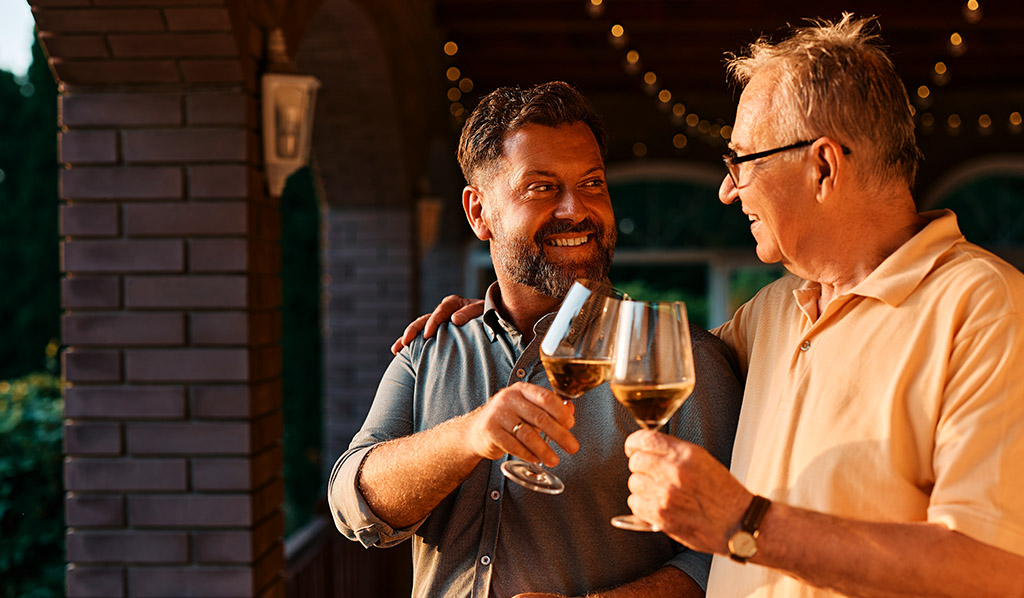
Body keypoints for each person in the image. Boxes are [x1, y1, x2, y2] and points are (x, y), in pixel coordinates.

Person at [619, 14, 1024, 597]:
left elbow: (994, 569)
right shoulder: (770, 311)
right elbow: (647, 364)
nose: (727, 189)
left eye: (742, 161)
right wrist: (499, 319)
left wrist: (744, 524)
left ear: (823, 166)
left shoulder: (986, 309)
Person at [328, 81, 743, 598]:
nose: (576, 209)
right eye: (542, 187)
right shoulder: (432, 349)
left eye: (592, 183)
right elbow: (352, 503)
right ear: (478, 212)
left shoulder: (682, 360)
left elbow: (728, 552)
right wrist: (468, 435)